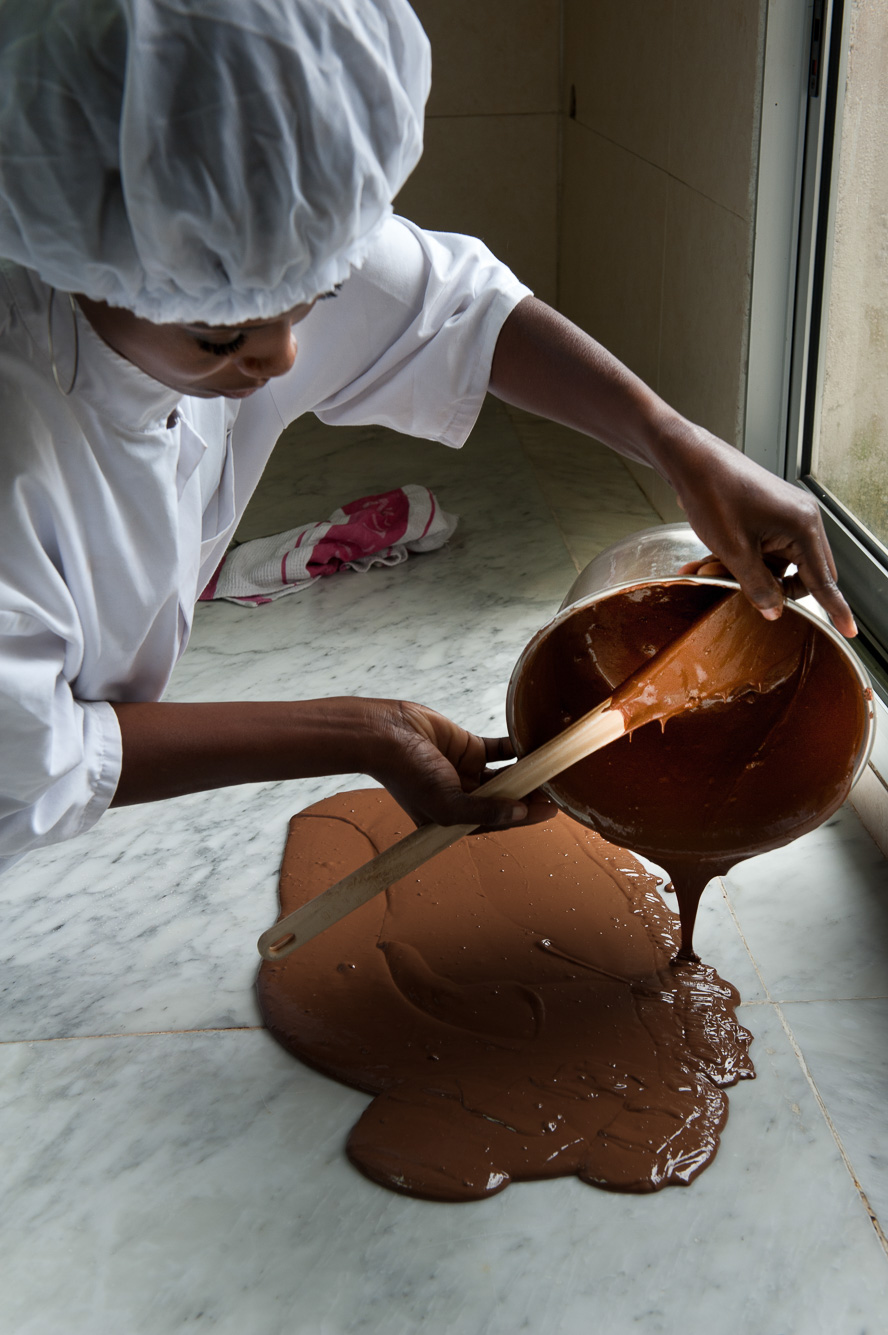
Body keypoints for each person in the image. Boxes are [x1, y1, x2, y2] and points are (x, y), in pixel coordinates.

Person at [0, 0, 856, 875]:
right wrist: (358, 730)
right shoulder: (21, 441)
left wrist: (680, 447)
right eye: (223, 338)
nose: (286, 354)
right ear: (68, 263)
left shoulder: (212, 228)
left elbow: (452, 310)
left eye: (315, 300)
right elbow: (28, 760)